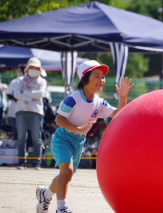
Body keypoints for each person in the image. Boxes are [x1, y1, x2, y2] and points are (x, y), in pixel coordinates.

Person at [35, 60, 134, 213]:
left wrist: (123, 97)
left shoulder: (100, 103)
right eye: (97, 76)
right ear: (84, 78)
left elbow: (119, 115)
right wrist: (77, 129)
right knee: (66, 172)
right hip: (63, 138)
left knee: (66, 176)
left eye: (103, 77)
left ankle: (45, 194)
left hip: (78, 141)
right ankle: (62, 208)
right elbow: (59, 119)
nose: (101, 80)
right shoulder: (73, 99)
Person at [14, 58, 47, 170]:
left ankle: (37, 162)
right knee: (21, 138)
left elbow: (40, 94)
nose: (34, 70)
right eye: (32, 67)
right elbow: (16, 94)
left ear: (40, 70)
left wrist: (25, 93)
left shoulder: (42, 81)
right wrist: (32, 96)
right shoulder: (19, 80)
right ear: (27, 68)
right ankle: (21, 162)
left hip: (36, 112)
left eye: (36, 68)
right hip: (21, 111)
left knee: (36, 138)